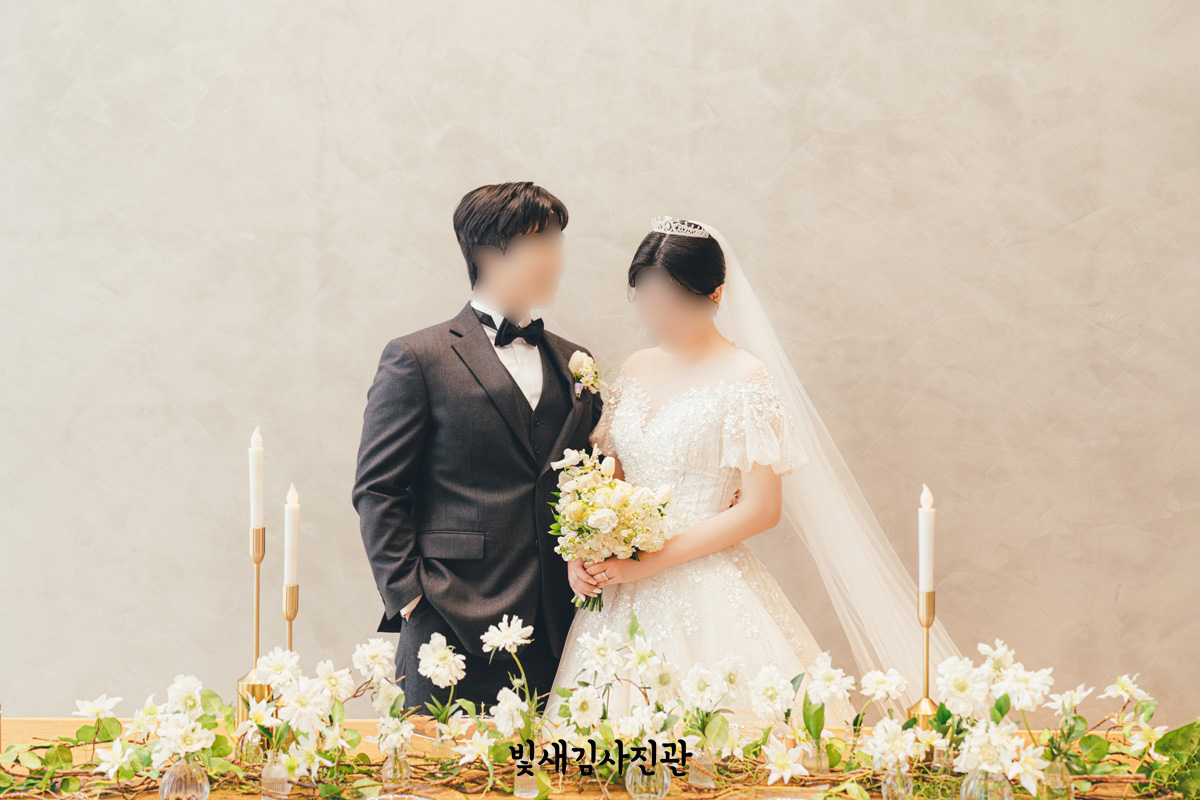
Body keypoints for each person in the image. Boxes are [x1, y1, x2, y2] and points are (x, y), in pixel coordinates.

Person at [547, 216, 963, 726]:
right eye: (647, 301)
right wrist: (585, 547)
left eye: (674, 303)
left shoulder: (745, 378)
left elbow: (762, 509)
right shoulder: (635, 367)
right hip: (619, 586)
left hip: (703, 580)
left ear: (715, 296)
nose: (659, 318)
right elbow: (612, 472)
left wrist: (651, 562)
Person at [352, 181, 603, 710]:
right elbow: (378, 489)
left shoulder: (575, 361)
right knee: (441, 762)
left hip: (561, 625)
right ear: (488, 251)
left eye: (558, 244)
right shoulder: (417, 358)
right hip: (450, 622)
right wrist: (411, 600)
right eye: (540, 245)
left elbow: (596, 473)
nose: (556, 261)